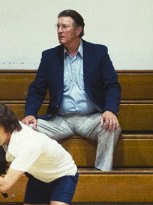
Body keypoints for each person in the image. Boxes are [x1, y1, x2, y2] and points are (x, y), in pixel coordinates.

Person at [23, 9, 121, 171]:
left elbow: (112, 85)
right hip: (59, 120)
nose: (59, 31)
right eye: (58, 26)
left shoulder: (99, 53)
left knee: (112, 126)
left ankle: (102, 174)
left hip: (90, 118)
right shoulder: (49, 56)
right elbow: (37, 89)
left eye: (64, 27)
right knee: (26, 128)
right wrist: (30, 114)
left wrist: (110, 110)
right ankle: (40, 175)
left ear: (78, 30)